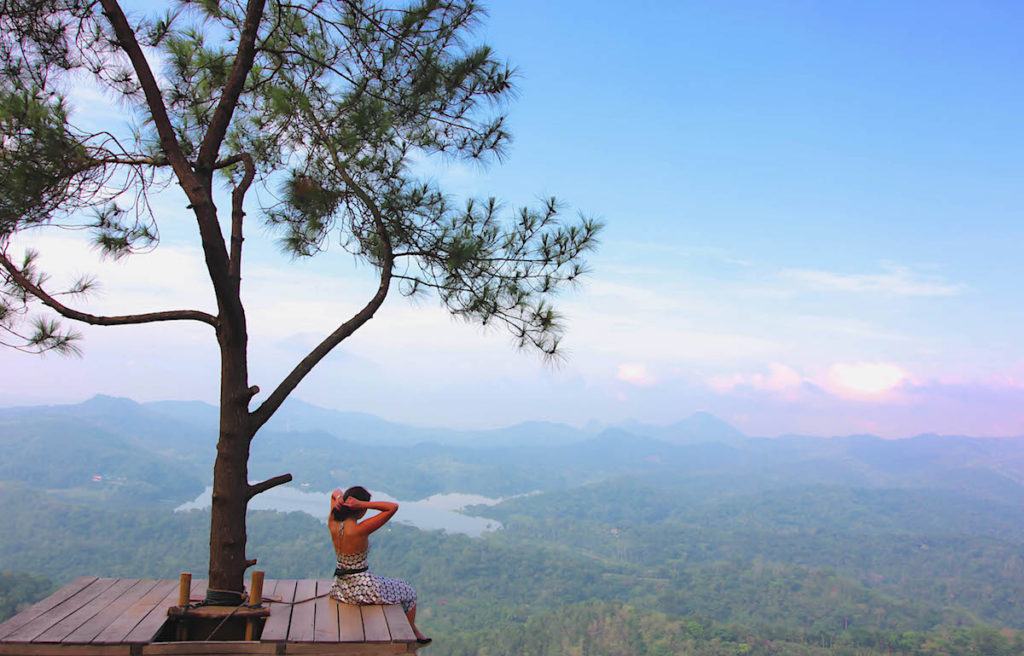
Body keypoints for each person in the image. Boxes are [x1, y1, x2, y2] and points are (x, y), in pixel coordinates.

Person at [327, 486, 430, 644]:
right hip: (362, 588)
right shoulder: (359, 529)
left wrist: (339, 497)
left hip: (340, 587)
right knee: (408, 591)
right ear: (359, 510)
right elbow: (392, 507)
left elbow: (335, 492)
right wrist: (363, 504)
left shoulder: (333, 523)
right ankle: (411, 633)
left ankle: (412, 631)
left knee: (397, 585)